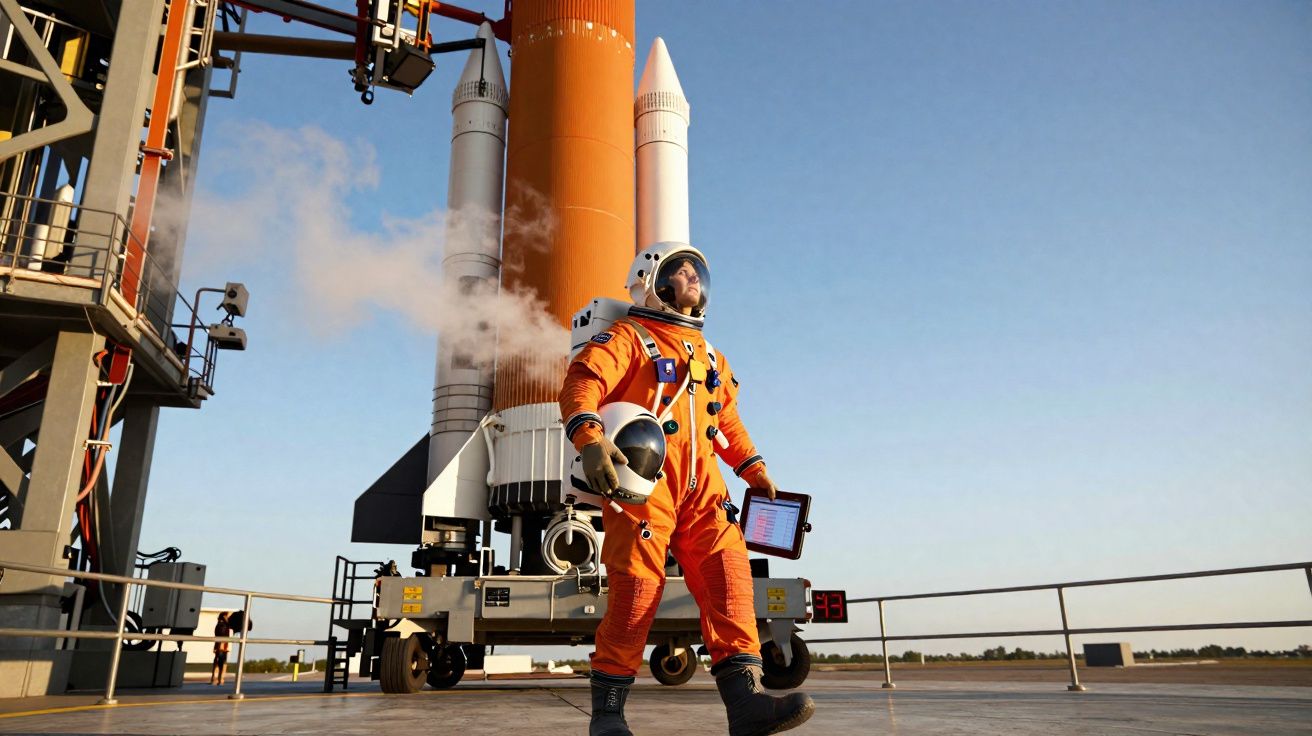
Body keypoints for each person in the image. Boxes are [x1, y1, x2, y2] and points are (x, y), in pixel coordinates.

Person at [559, 242, 814, 736]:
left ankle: (747, 705)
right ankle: (608, 715)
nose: (692, 276)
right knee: (637, 594)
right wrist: (589, 438)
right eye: (679, 270)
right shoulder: (626, 338)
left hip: (704, 493)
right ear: (651, 284)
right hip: (643, 487)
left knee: (731, 585)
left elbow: (728, 422)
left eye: (697, 271)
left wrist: (753, 468)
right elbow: (581, 384)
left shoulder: (712, 355)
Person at [210, 611, 231, 686]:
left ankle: (214, 678)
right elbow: (222, 636)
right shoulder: (223, 625)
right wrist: (222, 645)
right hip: (222, 646)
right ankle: (220, 679)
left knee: (217, 661)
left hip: (219, 645)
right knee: (222, 662)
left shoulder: (219, 624)